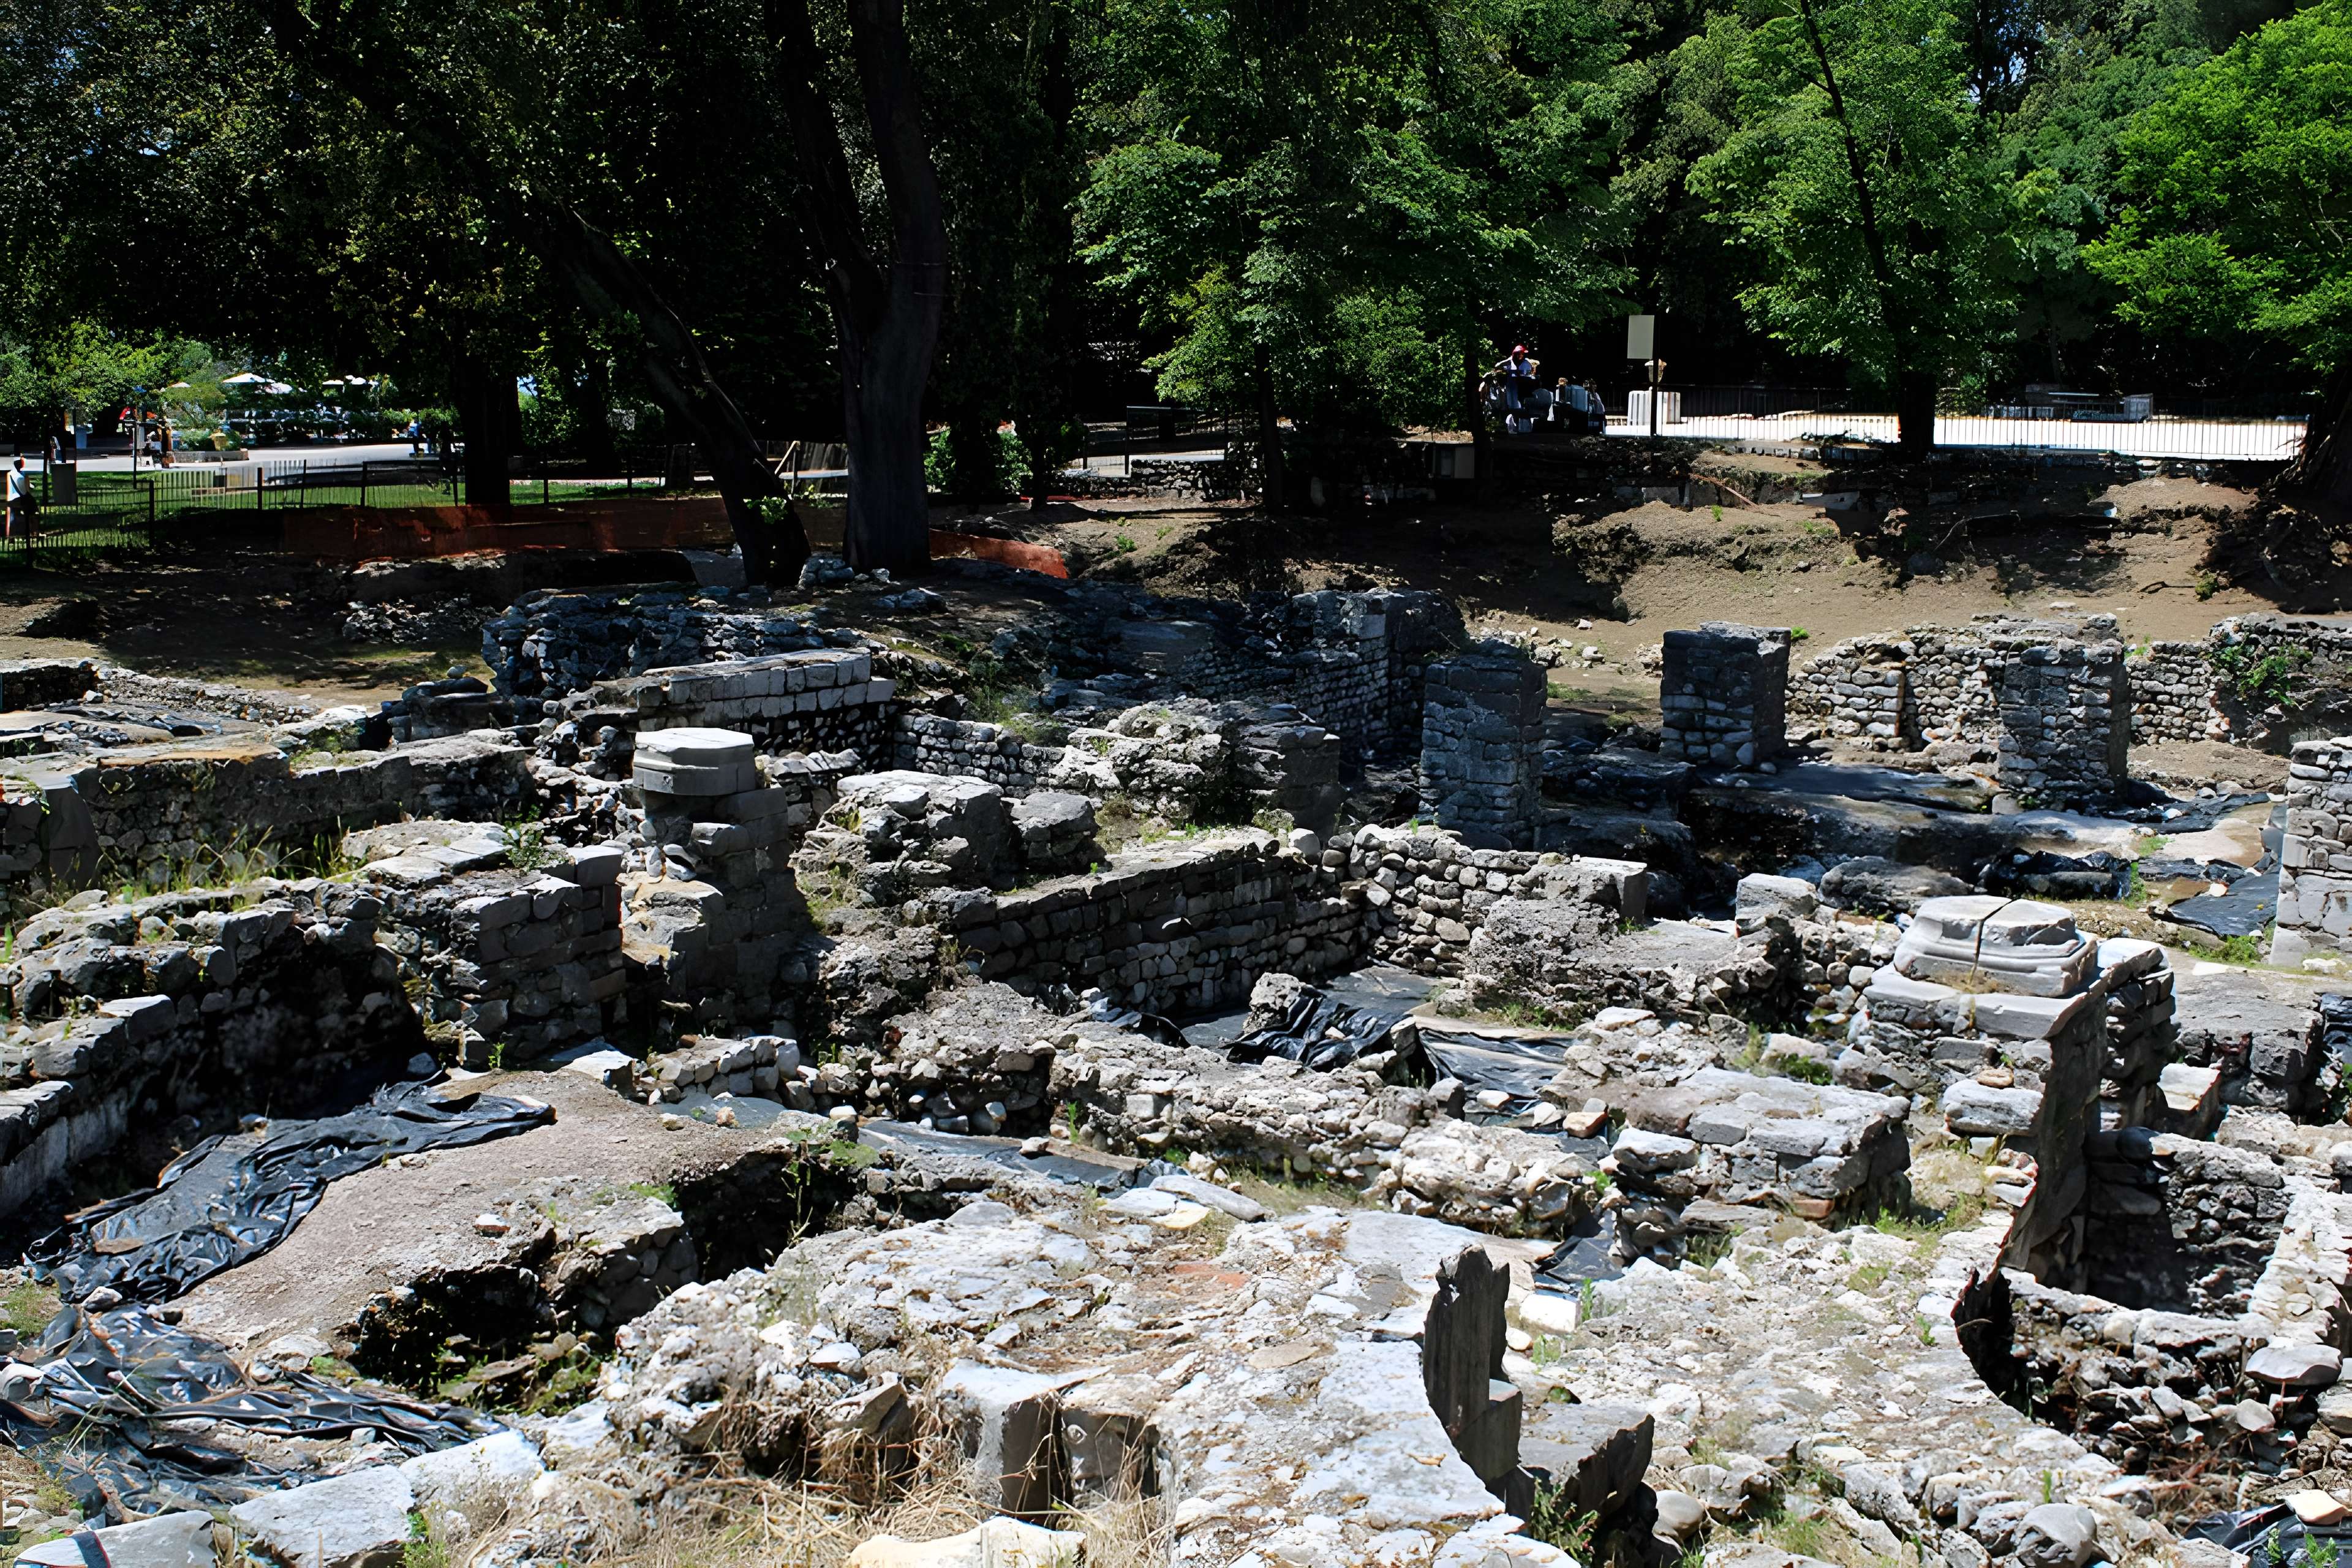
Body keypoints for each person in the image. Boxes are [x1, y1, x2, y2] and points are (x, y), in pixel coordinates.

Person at [1492, 344, 1541, 434]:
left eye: (1522, 354)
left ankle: (1525, 428)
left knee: (1524, 407)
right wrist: (1503, 370)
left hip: (1525, 387)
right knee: (1513, 408)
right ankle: (1513, 427)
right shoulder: (1509, 362)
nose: (1521, 356)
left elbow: (1535, 366)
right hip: (1512, 387)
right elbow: (1498, 366)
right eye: (1519, 354)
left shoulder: (1527, 362)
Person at [5, 458, 32, 541]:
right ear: (22, 466)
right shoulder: (25, 475)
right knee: (26, 516)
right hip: (22, 499)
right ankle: (25, 534)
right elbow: (28, 490)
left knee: (12, 518)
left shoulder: (9, 474)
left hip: (12, 499)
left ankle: (11, 537)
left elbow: (8, 488)